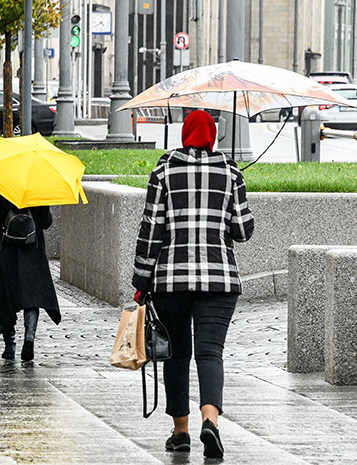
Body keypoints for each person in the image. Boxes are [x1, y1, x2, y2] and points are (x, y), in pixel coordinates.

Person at [131, 110, 254, 459]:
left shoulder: (164, 171)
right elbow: (243, 230)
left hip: (171, 280)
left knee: (177, 354)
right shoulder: (231, 172)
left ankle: (181, 431)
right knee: (210, 353)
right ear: (212, 136)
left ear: (185, 135)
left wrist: (141, 280)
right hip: (219, 280)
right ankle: (210, 422)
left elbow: (151, 230)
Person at [0, 190, 60, 361]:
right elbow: (46, 222)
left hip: (5, 248)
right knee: (32, 293)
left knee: (5, 295)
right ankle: (29, 337)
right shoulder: (36, 186)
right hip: (32, 247)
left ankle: (9, 343)